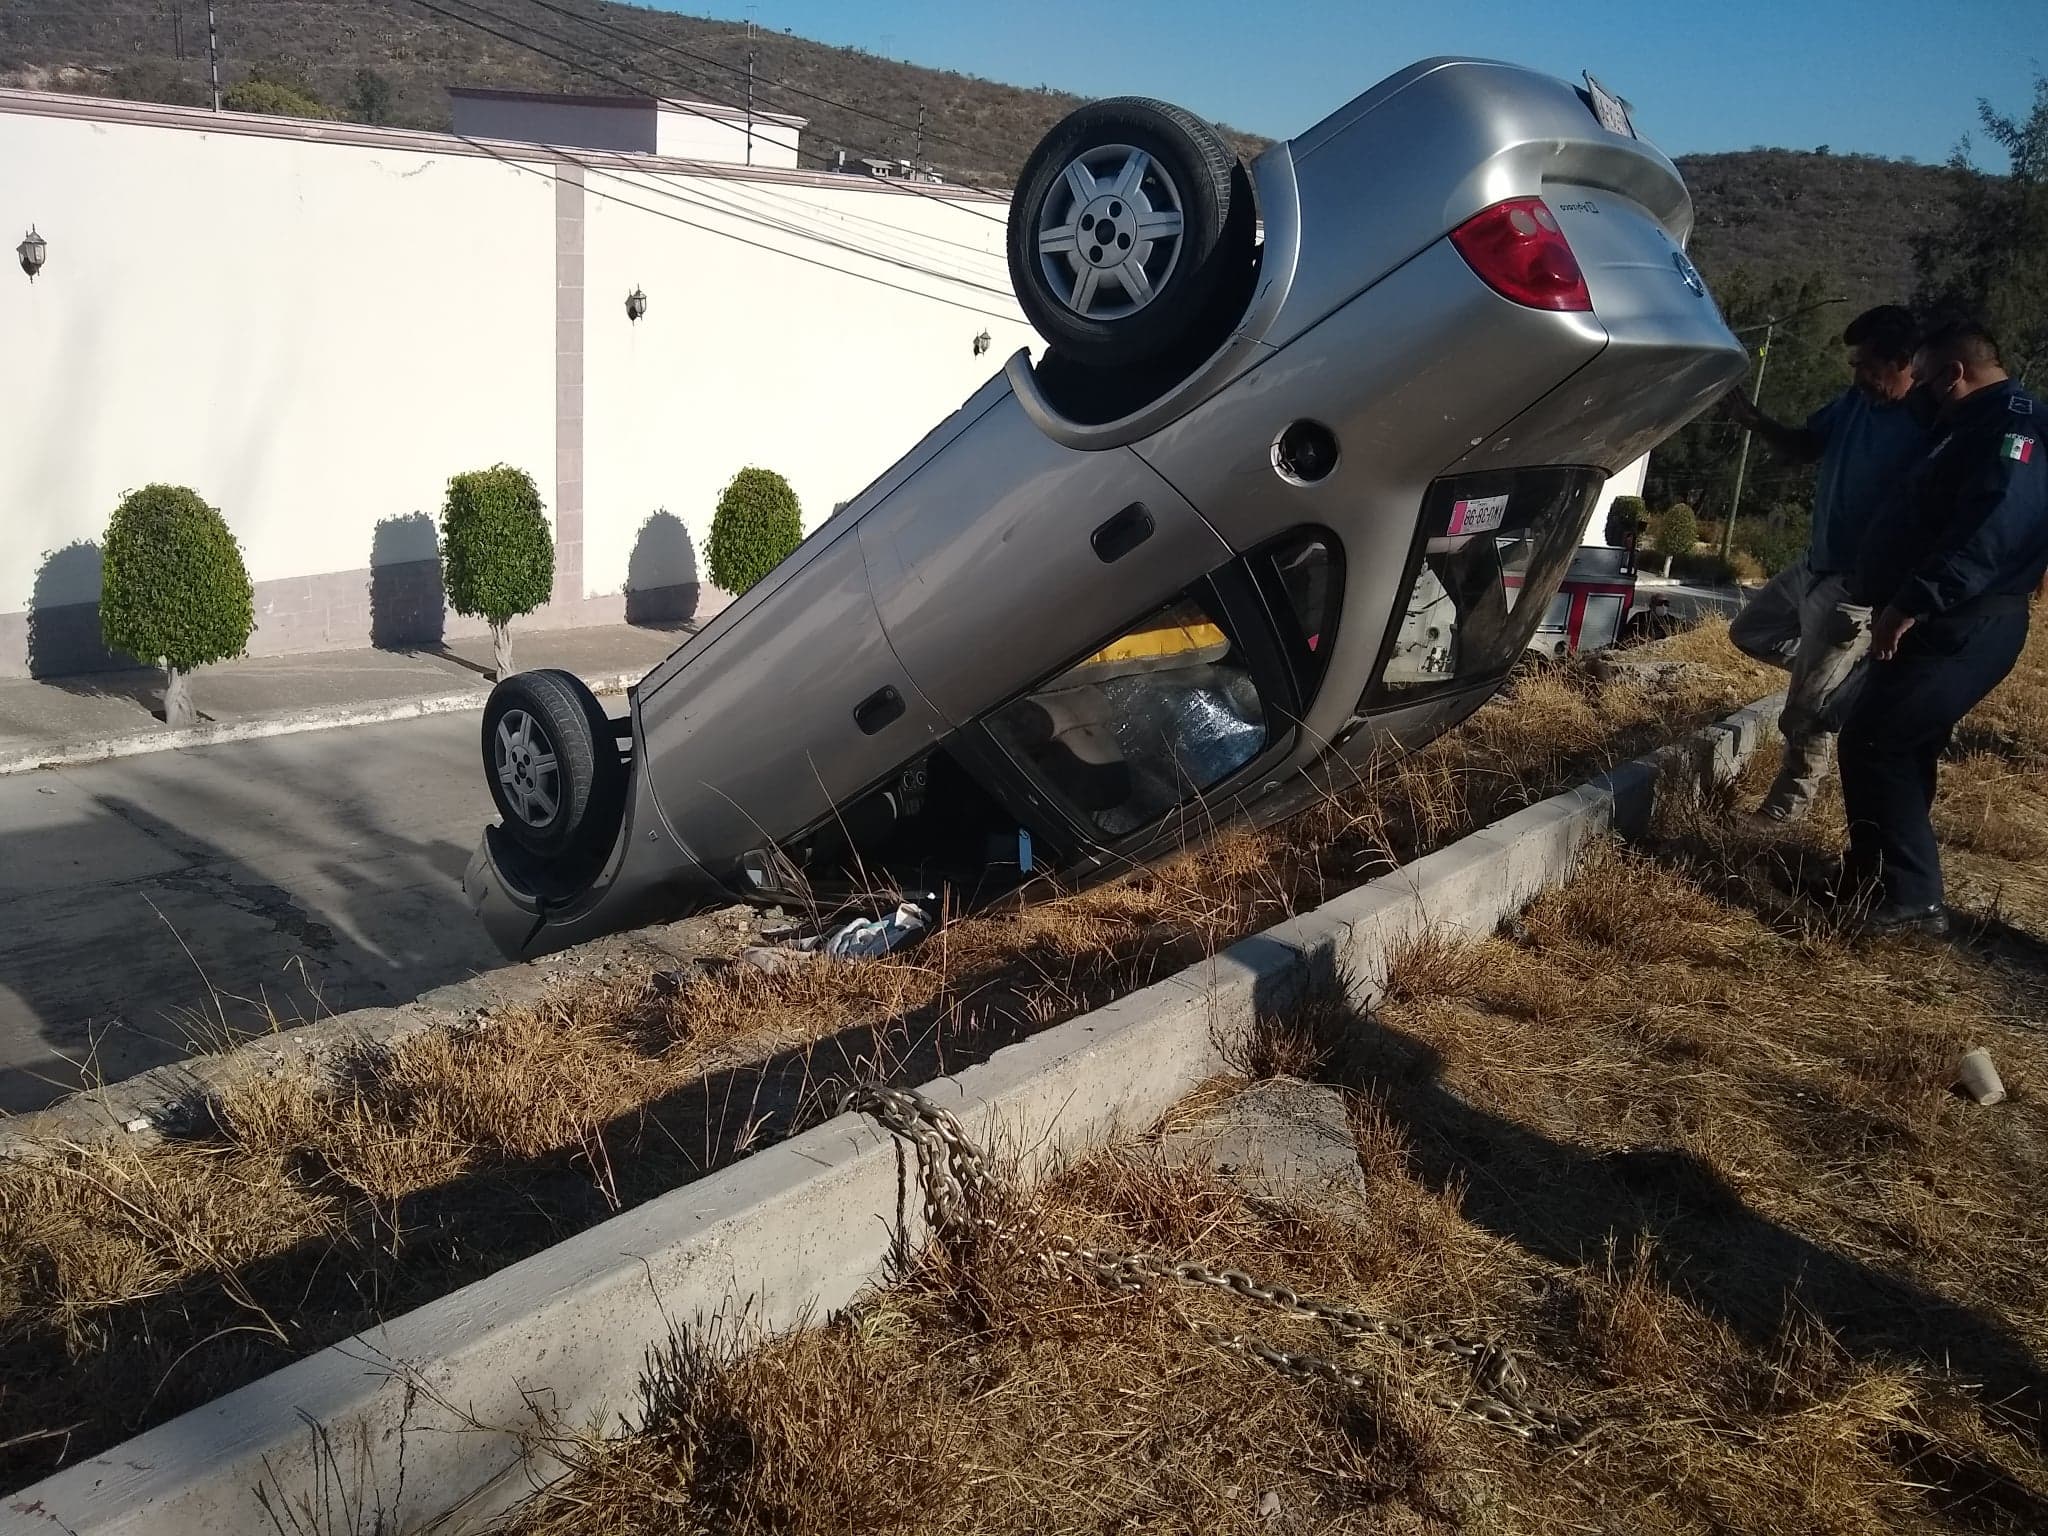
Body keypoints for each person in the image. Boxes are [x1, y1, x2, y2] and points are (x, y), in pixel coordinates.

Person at [1836, 320, 2048, 935]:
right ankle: (1872, 877)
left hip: (1964, 623)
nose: (1919, 392)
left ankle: (1913, 898)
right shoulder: (1969, 425)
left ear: (1956, 373)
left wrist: (1911, 602)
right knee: (1889, 743)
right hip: (1939, 619)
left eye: (1926, 380)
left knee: (1882, 743)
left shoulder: (2012, 430)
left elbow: (1989, 534)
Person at [1723, 305, 1931, 823]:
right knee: (1751, 633)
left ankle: (1785, 812)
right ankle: (1846, 683)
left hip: (1856, 587)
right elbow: (1805, 446)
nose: (1858, 376)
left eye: (1868, 366)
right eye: (1855, 365)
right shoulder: (1854, 404)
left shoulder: (1928, 424)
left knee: (1804, 712)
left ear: (1904, 362)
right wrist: (1756, 422)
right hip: (1814, 564)